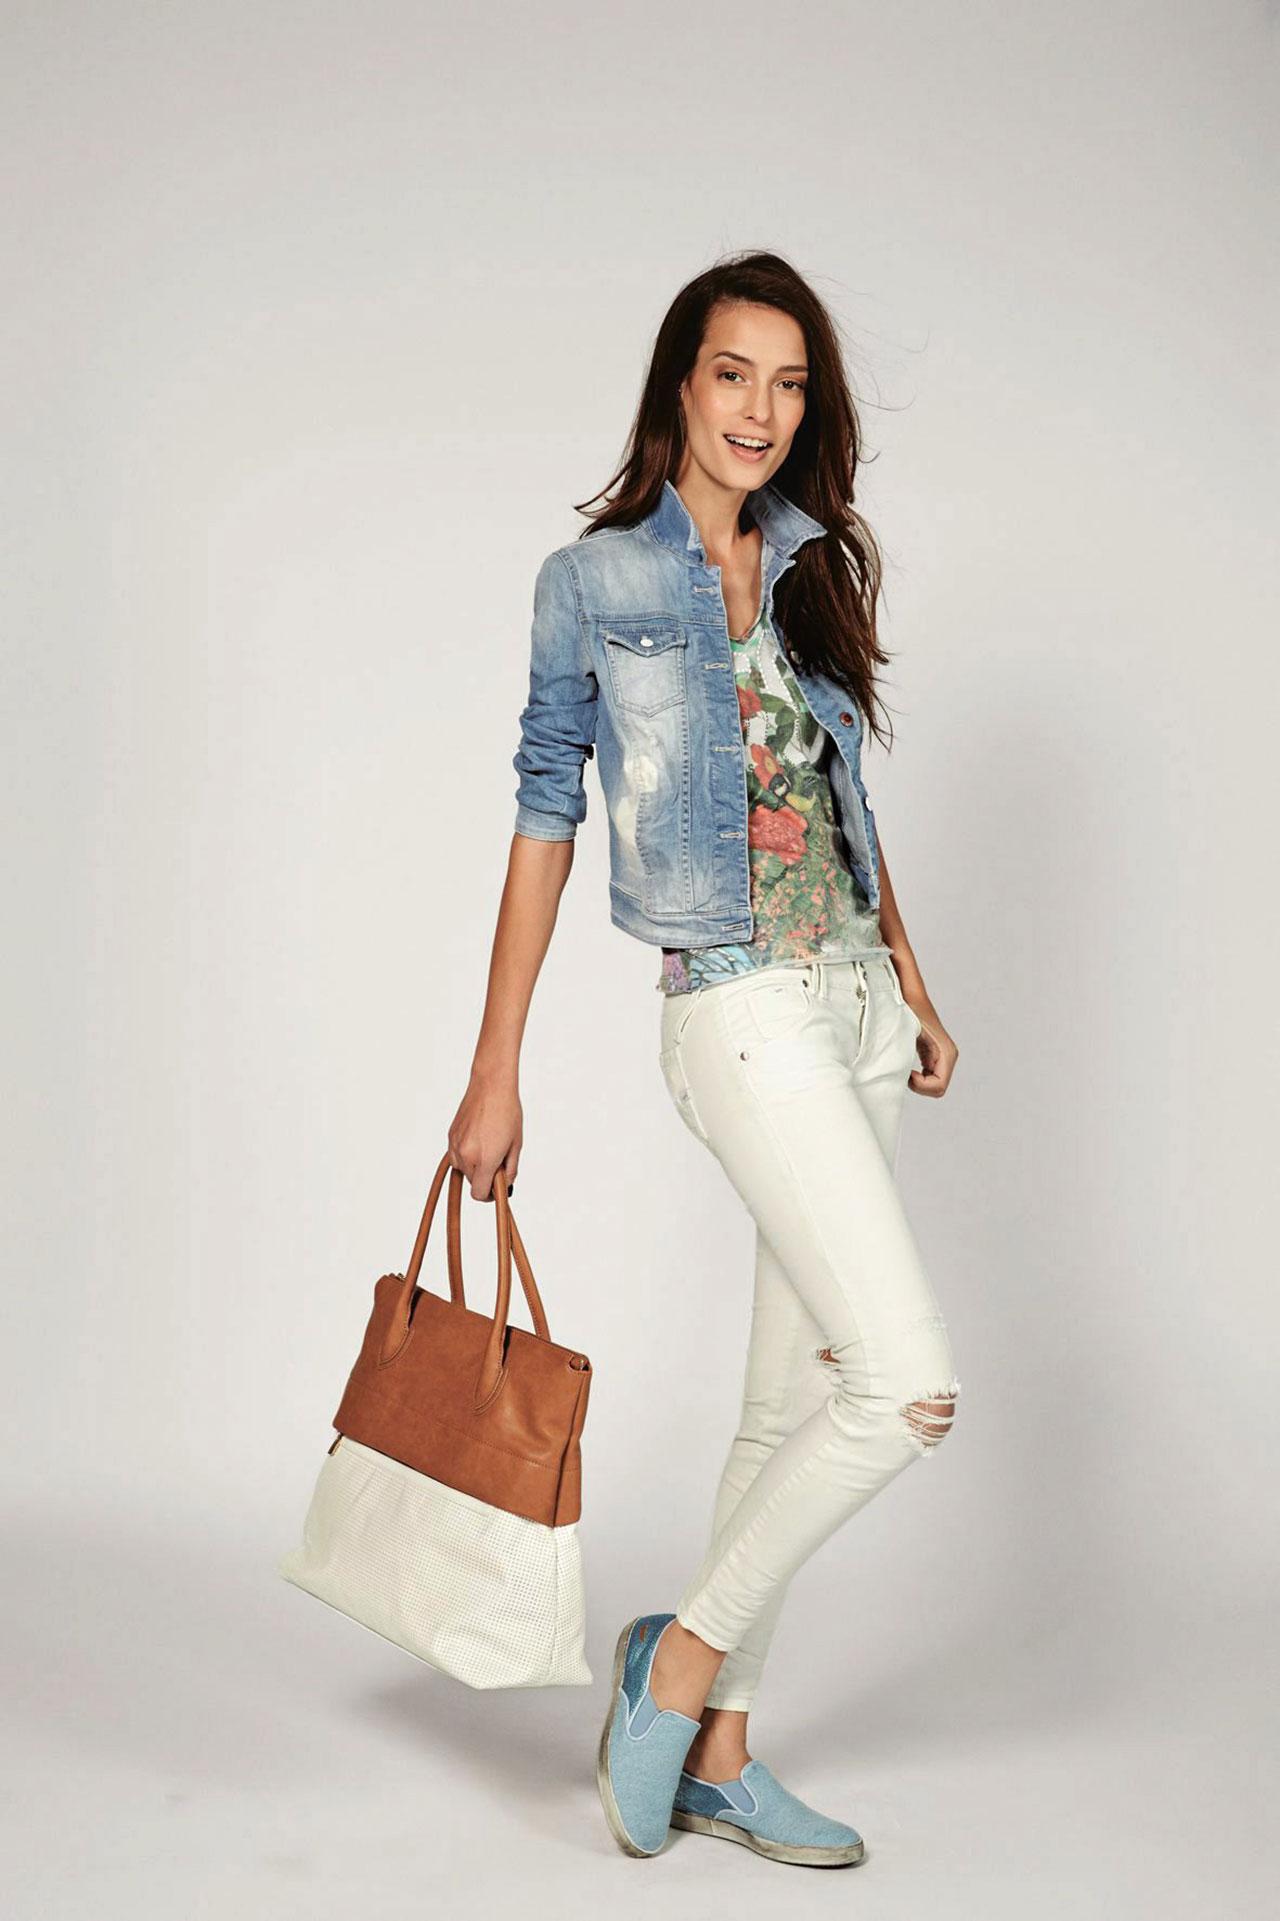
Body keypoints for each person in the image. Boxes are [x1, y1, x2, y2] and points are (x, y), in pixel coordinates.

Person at [448, 250, 961, 1870]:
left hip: (856, 998)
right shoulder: (592, 581)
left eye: (791, 383)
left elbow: (835, 797)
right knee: (905, 1389)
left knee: (785, 1399)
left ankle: (724, 1754)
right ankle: (670, 1670)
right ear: (682, 381)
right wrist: (495, 1069)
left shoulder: (809, 565)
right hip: (738, 1000)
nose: (762, 410)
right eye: (735, 373)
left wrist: (913, 983)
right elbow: (544, 813)